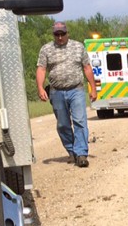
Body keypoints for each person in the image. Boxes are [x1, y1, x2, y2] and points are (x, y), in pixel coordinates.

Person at [36, 21, 97, 168]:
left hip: (76, 89)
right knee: (63, 125)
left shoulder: (78, 47)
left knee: (80, 121)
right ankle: (72, 151)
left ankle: (82, 153)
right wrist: (40, 88)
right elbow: (41, 69)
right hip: (57, 92)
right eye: (57, 34)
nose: (60, 37)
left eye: (62, 34)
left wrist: (93, 88)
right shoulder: (46, 49)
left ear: (67, 33)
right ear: (53, 35)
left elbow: (87, 68)